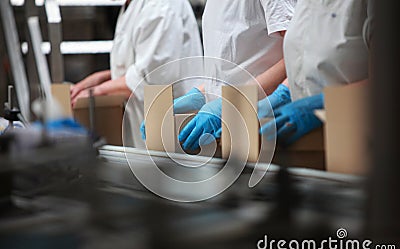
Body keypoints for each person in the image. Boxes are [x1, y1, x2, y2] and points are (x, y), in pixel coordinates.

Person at [70, 0, 202, 147]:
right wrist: (102, 78)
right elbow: (140, 65)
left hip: (171, 136)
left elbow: (153, 77)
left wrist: (98, 91)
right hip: (144, 131)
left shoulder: (161, 5)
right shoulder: (131, 5)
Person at [178, 0, 297, 151]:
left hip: (263, 124)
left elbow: (298, 54)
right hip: (224, 129)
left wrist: (235, 101)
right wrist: (203, 93)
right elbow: (232, 61)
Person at [260, 0, 373, 146]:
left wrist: (325, 104)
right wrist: (281, 95)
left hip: (359, 144)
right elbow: (306, 58)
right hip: (310, 142)